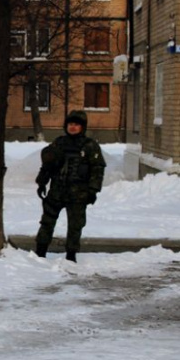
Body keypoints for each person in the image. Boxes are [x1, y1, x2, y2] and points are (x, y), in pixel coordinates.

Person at [34, 110, 106, 263]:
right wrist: (41, 182)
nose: (73, 127)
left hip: (78, 194)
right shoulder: (59, 143)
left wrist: (93, 190)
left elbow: (97, 169)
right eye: (70, 124)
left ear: (82, 127)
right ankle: (40, 252)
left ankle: (71, 255)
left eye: (76, 125)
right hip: (57, 191)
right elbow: (47, 165)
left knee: (75, 226)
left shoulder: (90, 146)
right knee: (47, 221)